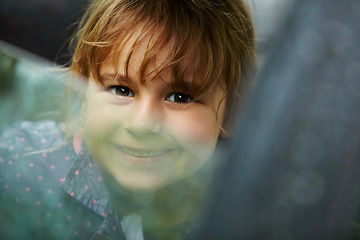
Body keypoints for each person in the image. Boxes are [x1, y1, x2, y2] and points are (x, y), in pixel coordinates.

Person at [0, 0, 256, 239]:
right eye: (121, 90)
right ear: (83, 93)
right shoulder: (21, 161)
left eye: (179, 97)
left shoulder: (241, 211)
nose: (142, 124)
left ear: (233, 110)